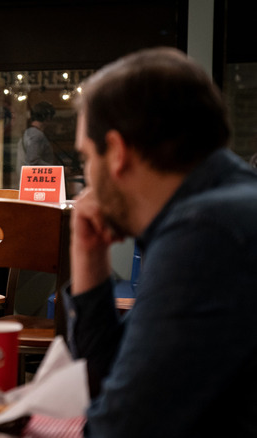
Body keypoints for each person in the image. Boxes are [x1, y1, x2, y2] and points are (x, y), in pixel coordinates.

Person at [66, 47, 257, 436]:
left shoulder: (205, 233)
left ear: (117, 152)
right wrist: (89, 257)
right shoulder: (226, 207)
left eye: (86, 157)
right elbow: (110, 388)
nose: (87, 177)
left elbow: (116, 428)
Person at [18, 101, 56, 167]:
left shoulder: (28, 132)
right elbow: (33, 161)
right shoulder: (36, 135)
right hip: (37, 176)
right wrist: (59, 170)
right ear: (48, 117)